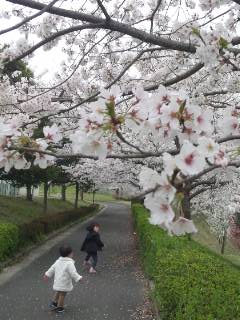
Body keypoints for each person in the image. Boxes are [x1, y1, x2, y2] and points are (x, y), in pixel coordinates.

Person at [44, 245, 82, 313]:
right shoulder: (69, 263)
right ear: (69, 254)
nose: (73, 254)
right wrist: (79, 278)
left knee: (58, 291)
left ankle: (54, 302)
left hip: (58, 281)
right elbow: (73, 273)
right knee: (62, 294)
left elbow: (52, 268)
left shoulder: (58, 261)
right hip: (64, 282)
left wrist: (47, 274)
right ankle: (60, 307)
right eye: (72, 253)